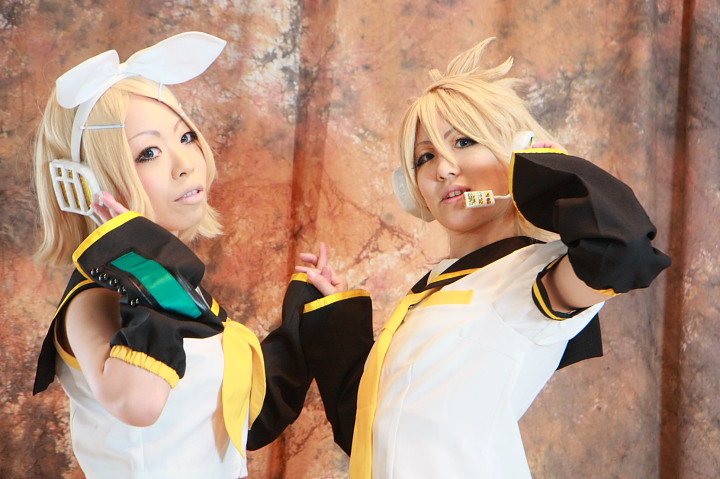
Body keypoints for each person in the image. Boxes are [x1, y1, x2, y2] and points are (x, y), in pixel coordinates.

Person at [296, 37, 672, 478]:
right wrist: (337, 318)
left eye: (464, 141)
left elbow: (623, 252)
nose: (443, 168)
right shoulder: (432, 290)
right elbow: (364, 428)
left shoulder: (538, 275)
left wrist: (541, 173)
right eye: (425, 157)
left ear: (512, 153)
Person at [30, 31, 375, 479]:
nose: (185, 163)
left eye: (186, 137)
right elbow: (139, 401)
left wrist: (309, 318)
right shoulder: (94, 300)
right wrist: (140, 256)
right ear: (90, 184)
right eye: (149, 152)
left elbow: (245, 417)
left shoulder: (169, 286)